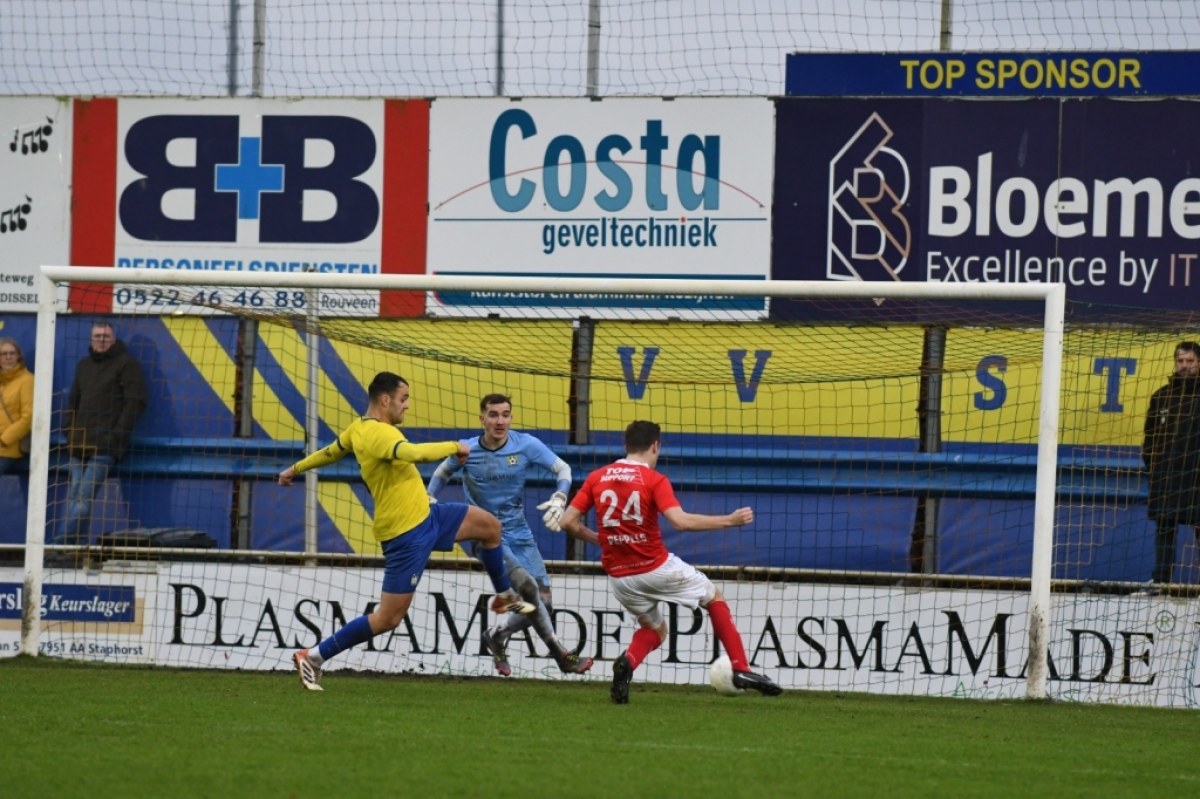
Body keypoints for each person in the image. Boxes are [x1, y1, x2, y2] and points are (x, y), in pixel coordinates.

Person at [280, 372, 535, 691]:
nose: (407, 406)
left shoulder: (358, 428)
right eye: (404, 399)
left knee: (490, 527)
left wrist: (295, 468)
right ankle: (313, 656)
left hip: (428, 516)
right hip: (406, 534)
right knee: (388, 619)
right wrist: (454, 446)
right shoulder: (379, 434)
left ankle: (505, 597)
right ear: (385, 400)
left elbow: (331, 451)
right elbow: (412, 453)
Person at [556, 420, 782, 704]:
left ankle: (627, 662)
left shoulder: (596, 477)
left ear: (626, 445)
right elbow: (681, 521)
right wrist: (729, 520)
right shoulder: (653, 480)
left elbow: (567, 521)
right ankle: (740, 668)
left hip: (620, 577)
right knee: (713, 597)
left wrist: (601, 540)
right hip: (655, 567)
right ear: (655, 446)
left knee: (655, 630)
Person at [426, 393, 594, 676]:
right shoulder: (467, 449)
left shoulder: (525, 444)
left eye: (505, 415)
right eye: (493, 415)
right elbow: (442, 473)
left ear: (511, 417)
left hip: (519, 531)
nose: (500, 421)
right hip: (484, 534)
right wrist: (429, 500)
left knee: (543, 603)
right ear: (482, 418)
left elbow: (563, 468)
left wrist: (560, 497)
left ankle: (497, 635)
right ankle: (561, 655)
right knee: (527, 587)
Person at [60, 321, 147, 544]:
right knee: (75, 498)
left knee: (82, 499)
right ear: (91, 339)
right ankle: (75, 549)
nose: (101, 340)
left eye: (106, 336)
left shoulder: (126, 364)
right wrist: (70, 431)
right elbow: (73, 401)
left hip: (105, 447)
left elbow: (136, 402)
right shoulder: (83, 365)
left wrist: (116, 436)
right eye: (97, 336)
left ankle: (60, 545)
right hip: (78, 444)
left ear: (114, 339)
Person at [1142, 341, 1200, 589]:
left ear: (1199, 363)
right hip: (1167, 477)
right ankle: (1161, 582)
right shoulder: (1161, 397)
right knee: (1164, 528)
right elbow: (1150, 438)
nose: (1184, 366)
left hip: (1196, 479)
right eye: (1180, 361)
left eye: (1190, 361)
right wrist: (1155, 469)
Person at [0, 338, 33, 477]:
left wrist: (4, 440)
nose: (8, 357)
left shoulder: (27, 380)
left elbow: (28, 417)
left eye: (12, 353)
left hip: (8, 447)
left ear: (18, 356)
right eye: (4, 354)